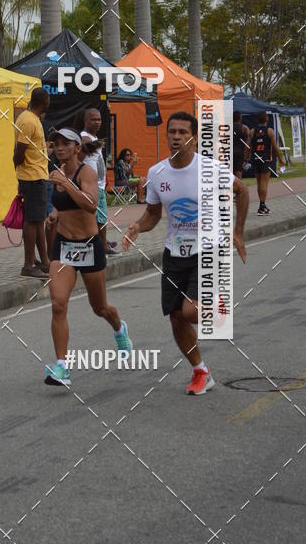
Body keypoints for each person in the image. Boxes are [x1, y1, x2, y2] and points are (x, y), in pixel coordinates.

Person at [122, 111, 249, 396]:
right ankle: (200, 371)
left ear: (194, 137)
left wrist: (238, 232)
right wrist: (137, 227)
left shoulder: (211, 169)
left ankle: (219, 308)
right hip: (174, 253)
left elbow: (241, 191)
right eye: (172, 132)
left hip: (209, 249)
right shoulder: (157, 173)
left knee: (190, 311)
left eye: (182, 132)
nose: (176, 137)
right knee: (176, 317)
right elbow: (153, 214)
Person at [44, 128, 133, 386]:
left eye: (65, 144)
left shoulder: (87, 173)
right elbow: (64, 204)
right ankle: (62, 366)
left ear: (77, 148)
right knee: (58, 303)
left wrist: (64, 184)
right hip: (64, 247)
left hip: (89, 246)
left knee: (100, 307)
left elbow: (91, 204)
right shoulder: (57, 173)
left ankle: (119, 328)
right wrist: (55, 214)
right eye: (56, 144)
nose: (59, 148)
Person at [14, 87, 50, 278]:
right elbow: (19, 152)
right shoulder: (28, 121)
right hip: (32, 176)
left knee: (38, 220)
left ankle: (43, 261)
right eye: (48, 99)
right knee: (32, 221)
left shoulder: (31, 119)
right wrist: (20, 174)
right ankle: (29, 264)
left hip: (35, 175)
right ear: (44, 101)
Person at [81, 108, 117, 254]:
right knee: (100, 217)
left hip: (100, 185)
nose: (97, 122)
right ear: (86, 121)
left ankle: (103, 242)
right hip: (93, 186)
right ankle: (102, 246)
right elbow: (80, 156)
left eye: (99, 119)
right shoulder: (85, 137)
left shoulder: (93, 138)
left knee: (100, 217)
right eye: (93, 119)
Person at [247, 110, 285, 214]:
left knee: (259, 183)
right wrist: (281, 159)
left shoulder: (252, 131)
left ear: (257, 120)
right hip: (266, 159)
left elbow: (248, 147)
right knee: (264, 184)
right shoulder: (270, 131)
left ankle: (261, 205)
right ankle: (262, 206)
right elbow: (275, 147)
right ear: (267, 119)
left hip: (255, 159)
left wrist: (246, 159)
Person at [232, 110, 250, 180]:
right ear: (240, 118)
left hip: (230, 153)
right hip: (240, 153)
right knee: (238, 174)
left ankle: (232, 189)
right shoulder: (245, 128)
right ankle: (239, 190)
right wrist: (247, 155)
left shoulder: (227, 127)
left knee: (230, 175)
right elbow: (249, 142)